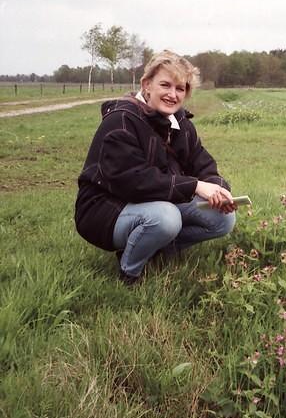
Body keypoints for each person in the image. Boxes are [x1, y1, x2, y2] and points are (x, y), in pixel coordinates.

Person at [75, 50, 236, 284]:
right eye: (165, 85)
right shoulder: (121, 120)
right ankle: (129, 272)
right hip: (105, 210)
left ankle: (156, 251)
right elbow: (134, 182)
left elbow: (203, 162)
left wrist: (219, 188)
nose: (173, 94)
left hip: (153, 203)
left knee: (223, 219)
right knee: (166, 218)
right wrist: (195, 186)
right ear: (146, 85)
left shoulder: (180, 123)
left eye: (180, 88)